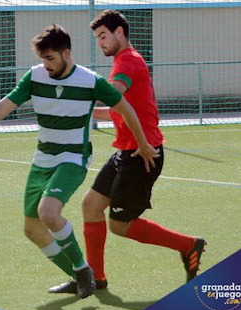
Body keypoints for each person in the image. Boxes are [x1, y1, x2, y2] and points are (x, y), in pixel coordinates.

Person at [0, 24, 158, 299]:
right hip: (43, 159)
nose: (46, 65)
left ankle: (84, 271)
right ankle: (77, 276)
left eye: (50, 59)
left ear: (66, 53)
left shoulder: (90, 81)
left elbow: (126, 108)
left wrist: (143, 144)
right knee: (33, 229)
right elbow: (3, 107)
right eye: (42, 59)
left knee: (49, 213)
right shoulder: (35, 77)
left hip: (73, 158)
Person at [48, 10, 206, 295]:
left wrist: (71, 90)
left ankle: (188, 245)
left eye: (103, 36)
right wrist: (80, 112)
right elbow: (116, 109)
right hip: (126, 151)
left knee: (120, 226)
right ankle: (96, 277)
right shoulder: (123, 61)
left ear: (120, 32)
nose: (101, 43)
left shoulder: (128, 61)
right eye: (97, 38)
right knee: (90, 206)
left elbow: (112, 91)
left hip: (142, 154)